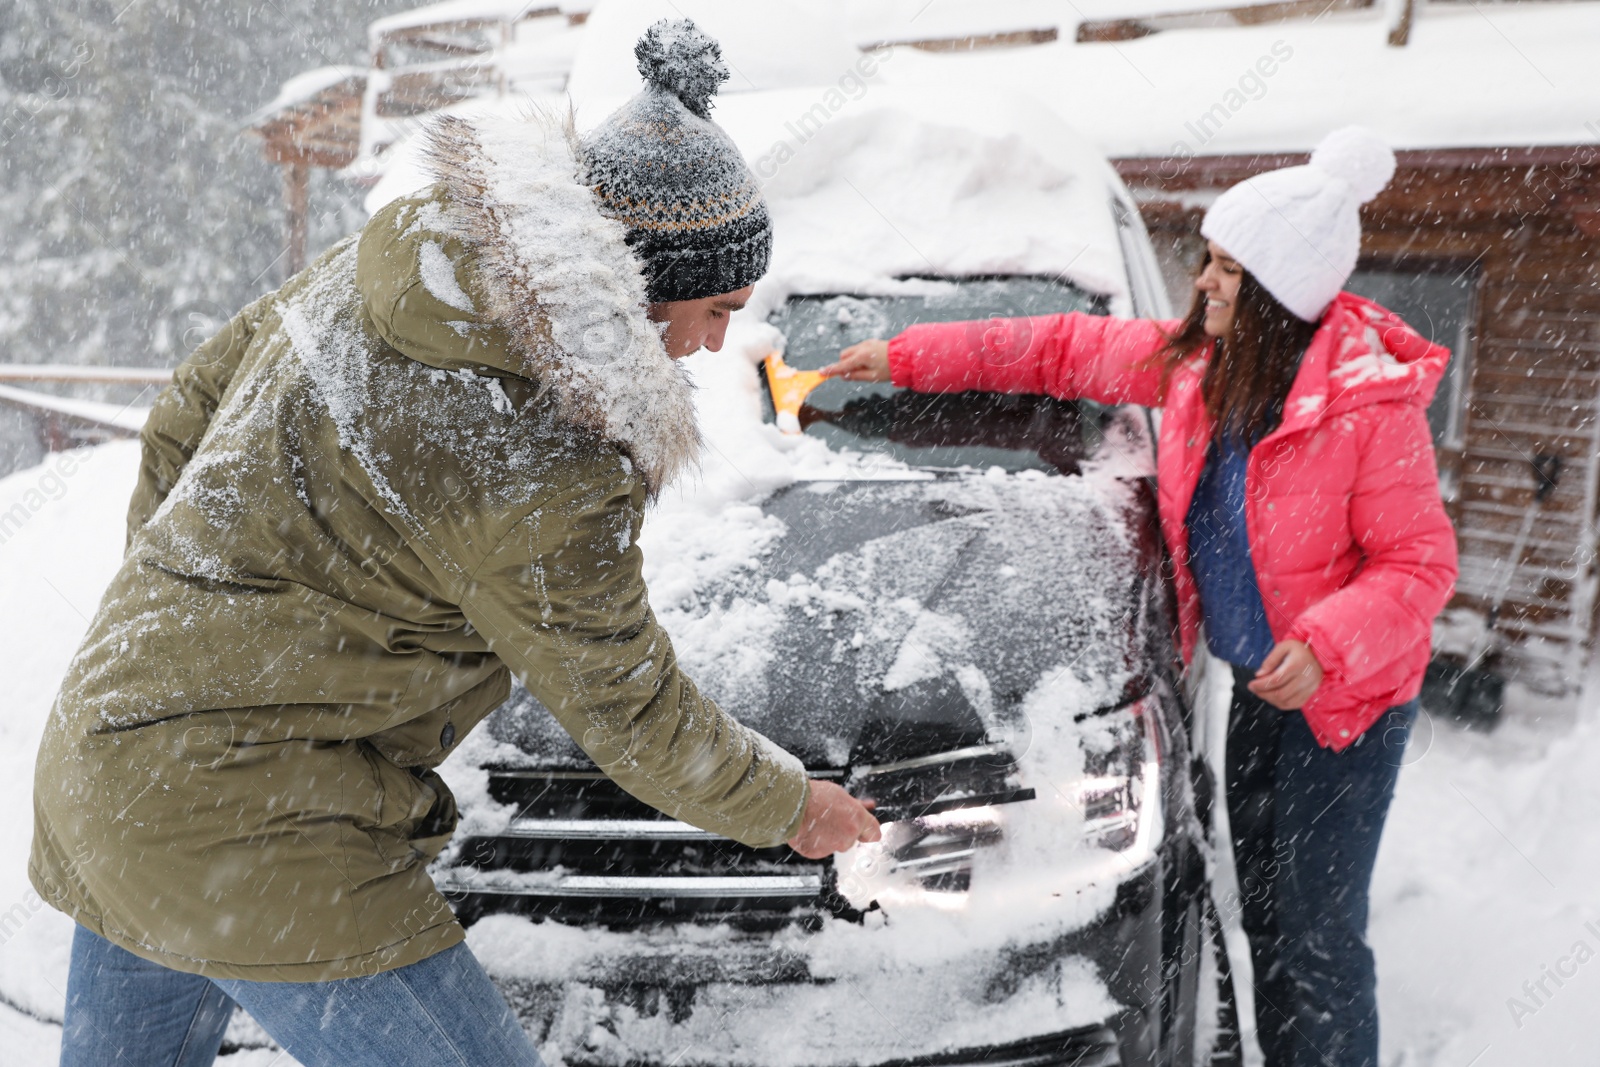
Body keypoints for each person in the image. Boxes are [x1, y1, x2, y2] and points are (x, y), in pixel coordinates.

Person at [31, 20, 878, 1067]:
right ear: (639, 275)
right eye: (715, 309)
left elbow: (187, 408)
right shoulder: (546, 449)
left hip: (111, 749)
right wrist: (789, 804)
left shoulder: (391, 269)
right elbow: (626, 702)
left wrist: (185, 612)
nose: (714, 344)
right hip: (258, 819)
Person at [820, 127, 1457, 1067]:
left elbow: (1418, 564)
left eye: (1228, 270)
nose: (1203, 283)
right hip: (1261, 692)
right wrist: (908, 356)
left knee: (1317, 936)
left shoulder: (1368, 409)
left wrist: (1324, 640)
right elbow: (1060, 350)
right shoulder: (1203, 367)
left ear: (1281, 291)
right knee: (1269, 915)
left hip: (1346, 710)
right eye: (1209, 261)